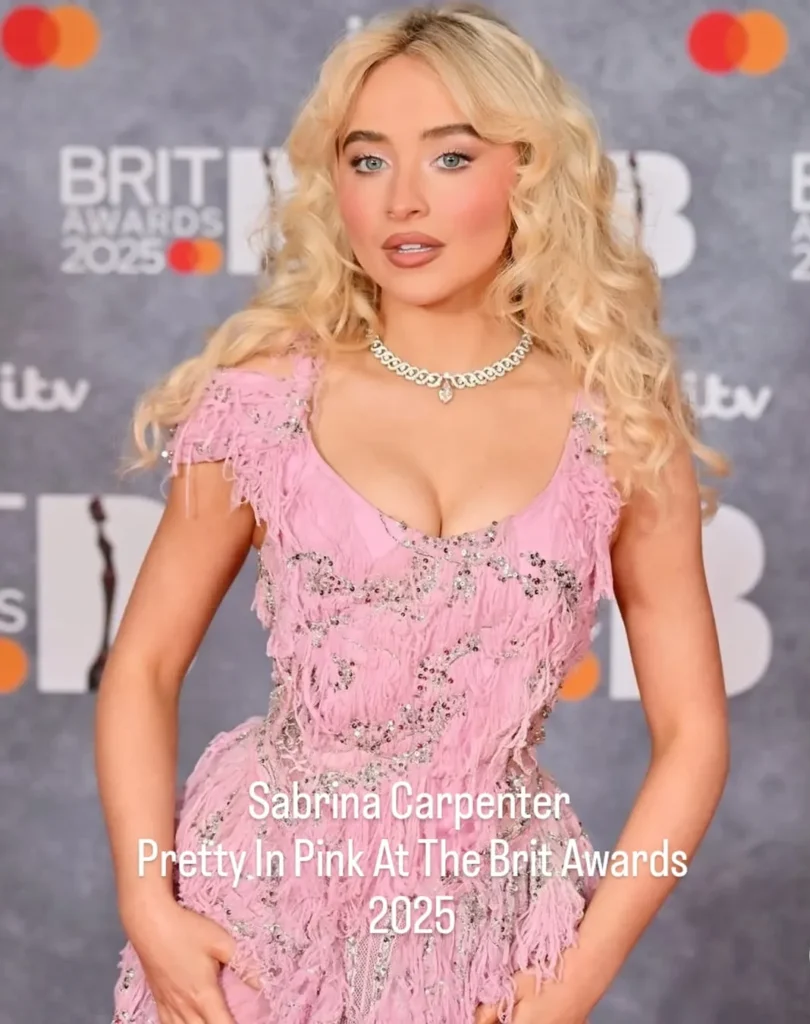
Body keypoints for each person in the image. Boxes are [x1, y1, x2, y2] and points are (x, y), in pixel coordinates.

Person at [97, 4, 730, 1023]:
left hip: (487, 938)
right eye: (366, 160)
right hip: (256, 919)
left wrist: (581, 972)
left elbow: (693, 732)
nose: (401, 200)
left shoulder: (618, 428)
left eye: (449, 157)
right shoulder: (265, 402)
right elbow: (142, 667)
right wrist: (145, 899)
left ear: (527, 172)